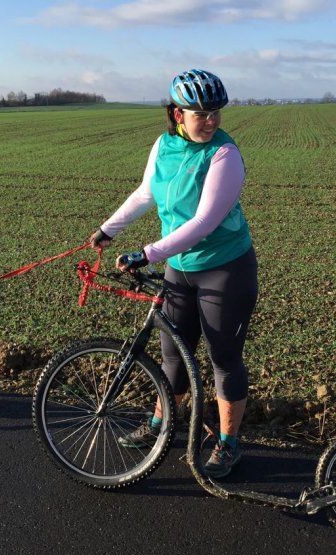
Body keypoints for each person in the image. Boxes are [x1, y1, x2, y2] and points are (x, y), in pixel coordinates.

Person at [89, 68, 258, 479]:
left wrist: (148, 253)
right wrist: (110, 228)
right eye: (200, 112)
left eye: (215, 111)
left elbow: (204, 222)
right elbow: (147, 192)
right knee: (172, 358)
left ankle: (228, 443)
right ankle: (160, 425)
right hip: (179, 269)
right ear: (176, 113)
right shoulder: (164, 145)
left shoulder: (224, 155)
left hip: (225, 270)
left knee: (223, 358)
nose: (211, 119)